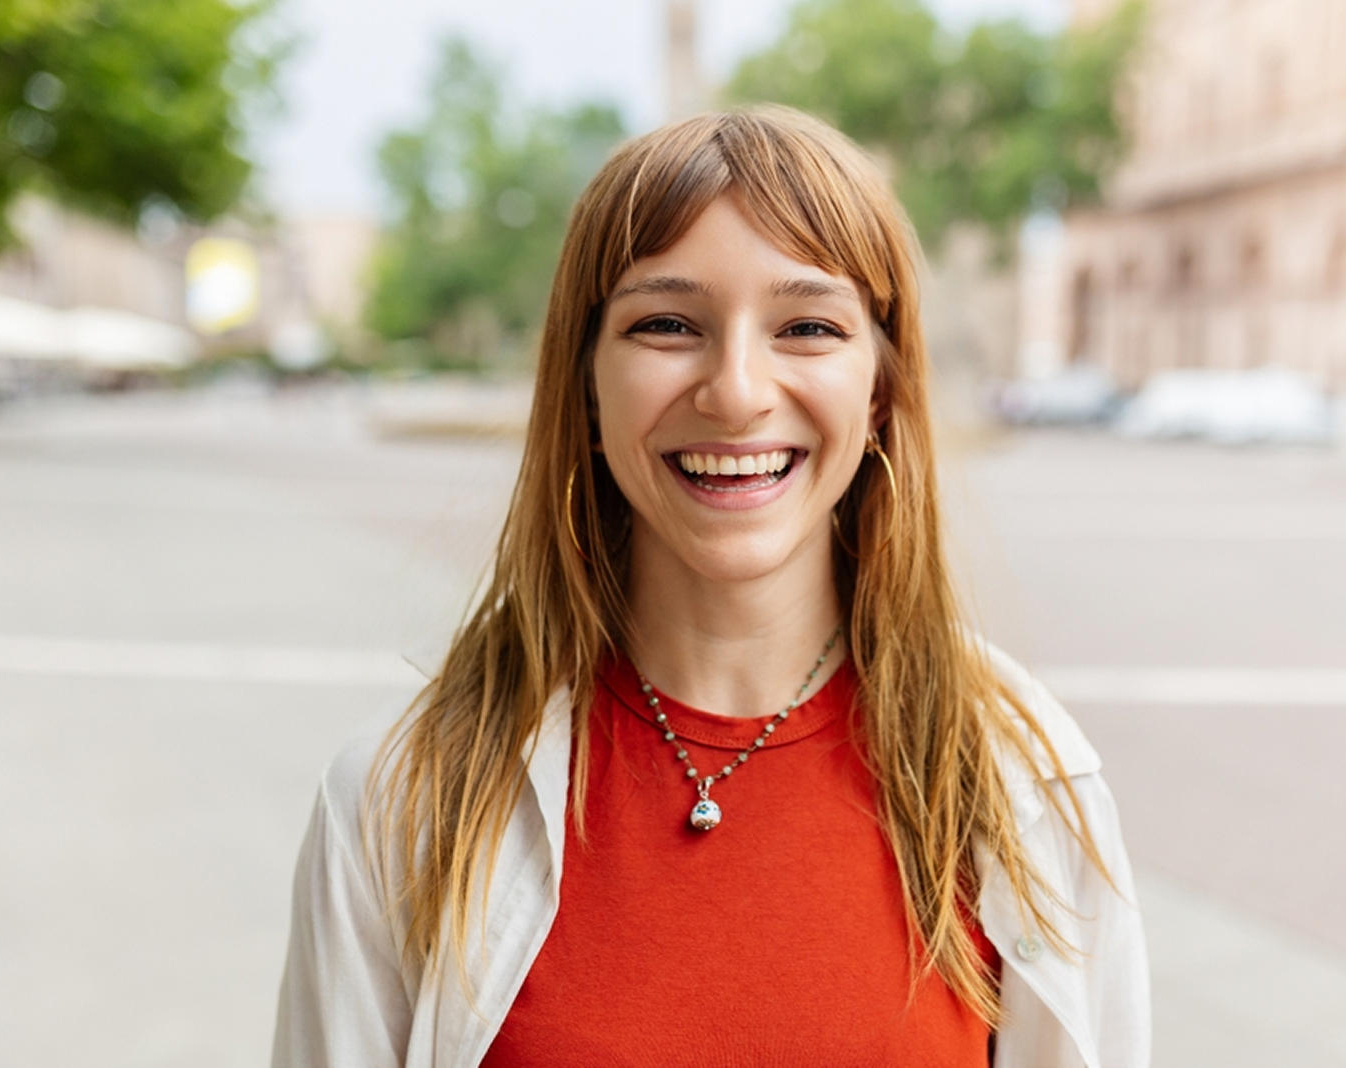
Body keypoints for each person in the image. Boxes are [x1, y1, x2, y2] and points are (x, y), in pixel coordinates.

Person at [272, 105, 1149, 1067]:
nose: (735, 391)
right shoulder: (401, 803)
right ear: (586, 391)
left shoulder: (1027, 785)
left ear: (881, 392)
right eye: (666, 324)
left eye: (807, 325)